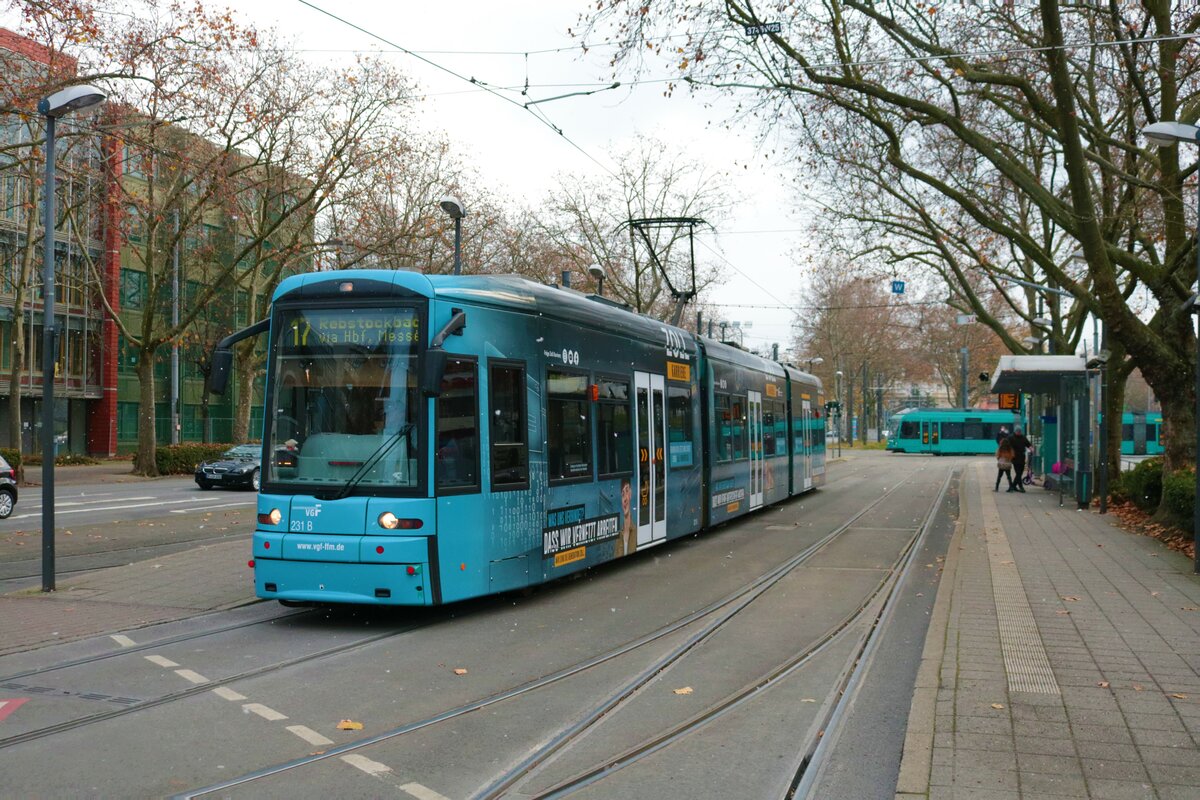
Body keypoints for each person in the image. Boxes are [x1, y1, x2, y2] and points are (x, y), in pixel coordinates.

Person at [1007, 425, 1032, 492]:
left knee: (1020, 473)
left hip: (1022, 457)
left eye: (1020, 431)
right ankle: (1021, 487)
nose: (1019, 433)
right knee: (1018, 472)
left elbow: (1028, 444)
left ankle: (1013, 486)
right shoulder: (1010, 437)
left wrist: (1031, 448)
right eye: (1018, 431)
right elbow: (1007, 446)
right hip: (1014, 458)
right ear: (1015, 431)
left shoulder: (1023, 437)